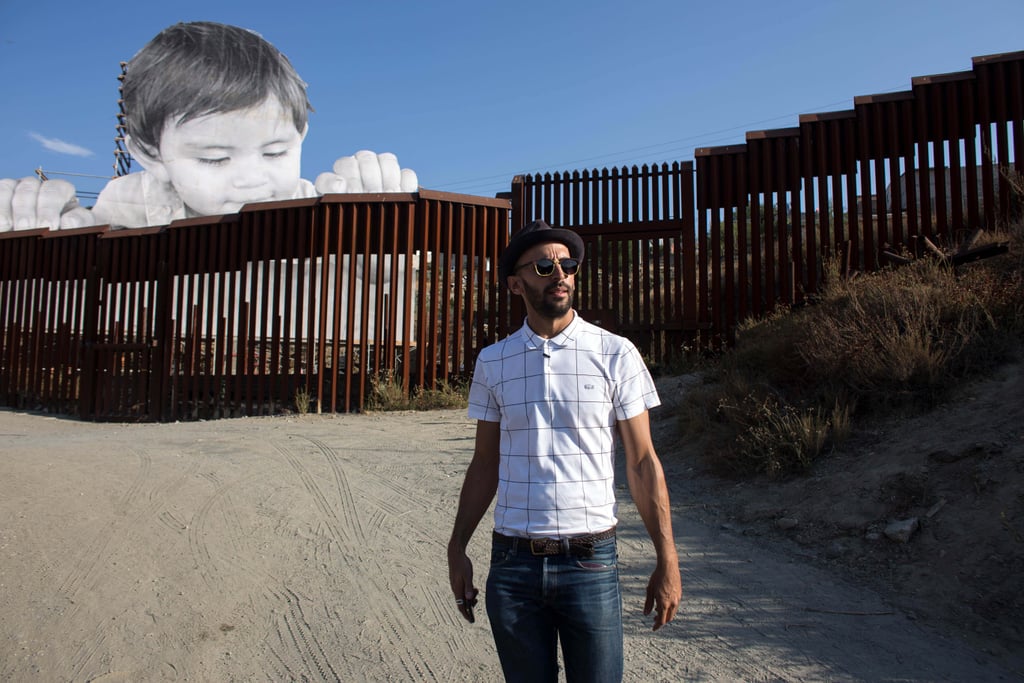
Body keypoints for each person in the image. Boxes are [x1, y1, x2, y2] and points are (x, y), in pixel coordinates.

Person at [447, 219, 681, 682]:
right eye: (543, 266)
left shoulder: (616, 353)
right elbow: (485, 465)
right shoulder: (493, 361)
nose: (560, 274)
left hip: (590, 564)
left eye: (568, 264)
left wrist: (668, 558)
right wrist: (457, 546)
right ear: (516, 283)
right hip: (512, 568)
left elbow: (642, 462)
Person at [0, 21, 417, 231]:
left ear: (301, 135)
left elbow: (371, 278)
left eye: (275, 152)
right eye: (215, 159)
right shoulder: (130, 205)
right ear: (148, 152)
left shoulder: (312, 206)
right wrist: (45, 230)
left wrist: (375, 241)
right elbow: (89, 262)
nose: (252, 180)